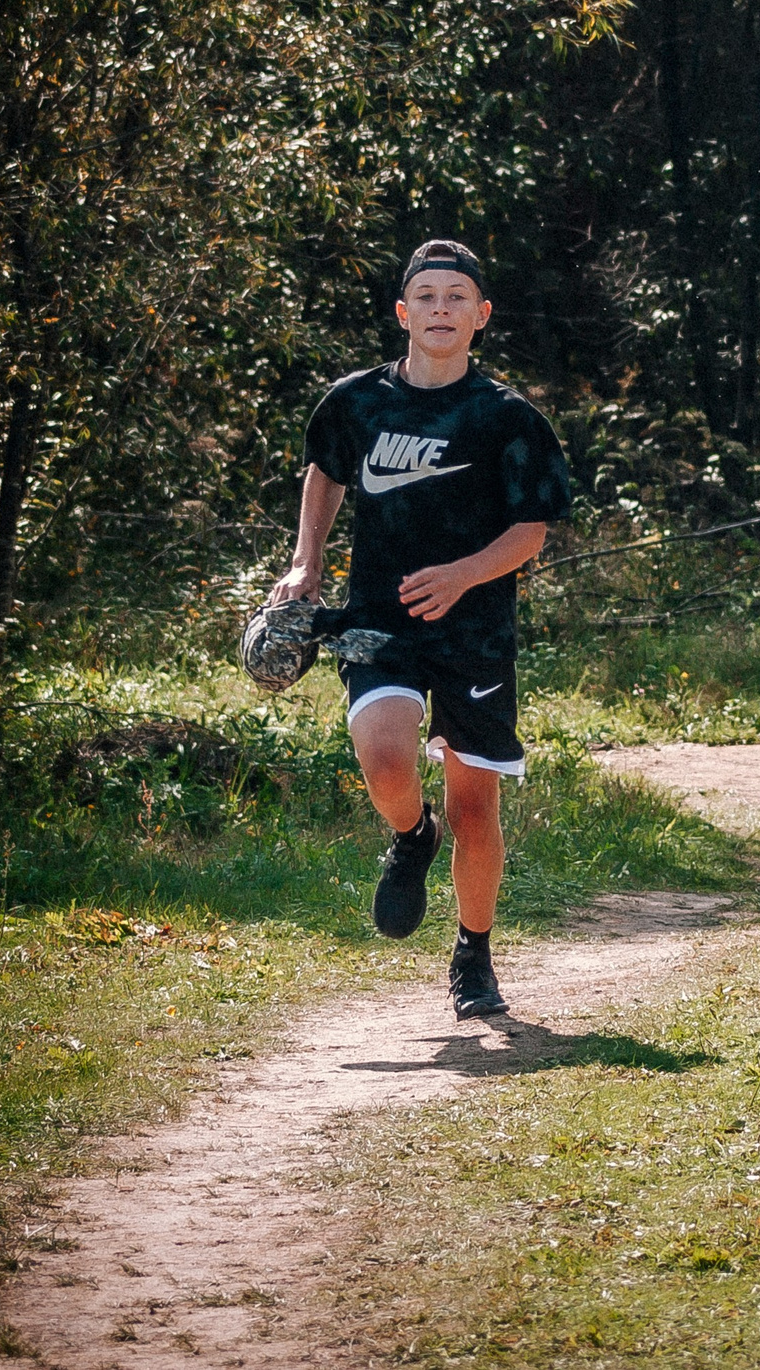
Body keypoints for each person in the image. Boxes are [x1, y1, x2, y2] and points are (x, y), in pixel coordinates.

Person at [269, 239, 576, 1020]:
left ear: (481, 316)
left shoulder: (507, 418)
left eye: (457, 297)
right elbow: (326, 471)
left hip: (475, 633)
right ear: (404, 312)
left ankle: (473, 956)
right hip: (376, 618)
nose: (442, 309)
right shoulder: (357, 402)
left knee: (477, 808)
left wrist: (464, 574)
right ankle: (412, 834)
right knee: (383, 757)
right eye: (428, 296)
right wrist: (306, 563)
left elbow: (532, 529)